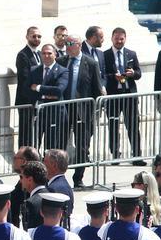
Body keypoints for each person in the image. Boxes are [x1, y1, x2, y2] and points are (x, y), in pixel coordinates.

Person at [58, 36, 101, 188]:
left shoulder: (91, 63)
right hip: (64, 110)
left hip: (83, 111)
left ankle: (78, 178)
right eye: (66, 44)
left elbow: (97, 89)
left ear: (79, 45)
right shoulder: (61, 61)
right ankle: (58, 177)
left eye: (71, 44)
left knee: (82, 146)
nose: (67, 46)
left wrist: (95, 112)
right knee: (60, 144)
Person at [104, 27, 144, 163]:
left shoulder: (131, 54)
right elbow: (102, 75)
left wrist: (133, 73)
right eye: (117, 39)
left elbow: (139, 73)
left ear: (125, 39)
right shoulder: (105, 55)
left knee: (133, 126)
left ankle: (137, 156)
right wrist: (112, 77)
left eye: (121, 39)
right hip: (113, 96)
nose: (119, 41)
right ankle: (115, 155)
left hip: (129, 94)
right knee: (113, 126)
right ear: (112, 39)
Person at [30, 44, 68, 152]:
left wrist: (38, 87)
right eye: (44, 53)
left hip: (55, 113)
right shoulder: (34, 70)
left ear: (55, 54)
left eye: (49, 53)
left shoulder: (63, 71)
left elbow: (59, 90)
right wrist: (46, 94)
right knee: (34, 145)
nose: (46, 56)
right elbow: (27, 89)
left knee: (52, 147)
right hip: (38, 113)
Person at [15, 26, 44, 149]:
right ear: (27, 37)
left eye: (39, 36)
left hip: (39, 98)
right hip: (26, 99)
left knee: (37, 130)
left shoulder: (40, 54)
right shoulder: (23, 55)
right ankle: (23, 157)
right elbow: (25, 77)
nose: (36, 39)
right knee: (26, 132)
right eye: (33, 36)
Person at [43, 149, 74, 226]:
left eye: (45, 161)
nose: (43, 164)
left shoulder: (53, 189)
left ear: (54, 165)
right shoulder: (63, 184)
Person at [20, 161, 49, 231]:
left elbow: (29, 233)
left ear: (30, 180)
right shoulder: (52, 194)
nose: (20, 181)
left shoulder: (31, 203)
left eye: (21, 177)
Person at [81, 25, 108, 93]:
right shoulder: (79, 51)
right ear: (93, 38)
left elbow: (103, 74)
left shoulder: (101, 53)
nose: (103, 40)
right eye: (101, 37)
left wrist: (103, 86)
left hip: (99, 95)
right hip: (85, 95)